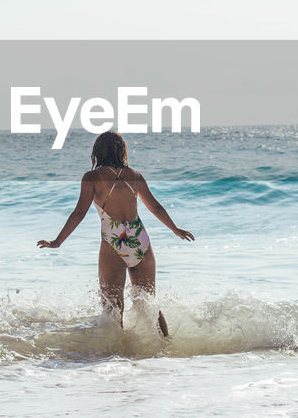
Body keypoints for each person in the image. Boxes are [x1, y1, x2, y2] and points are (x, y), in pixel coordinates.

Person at [37, 131, 194, 337]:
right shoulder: (135, 175)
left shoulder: (92, 177)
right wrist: (175, 229)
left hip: (114, 240)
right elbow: (155, 207)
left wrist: (58, 241)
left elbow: (79, 212)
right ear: (122, 150)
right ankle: (166, 348)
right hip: (139, 238)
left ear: (97, 151)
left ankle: (117, 355)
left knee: (113, 306)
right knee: (148, 301)